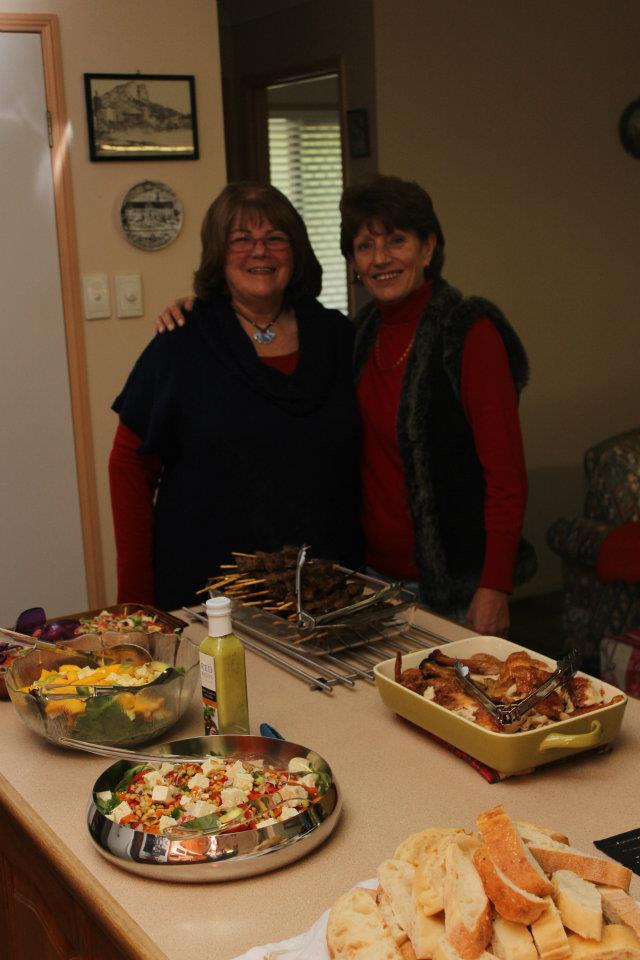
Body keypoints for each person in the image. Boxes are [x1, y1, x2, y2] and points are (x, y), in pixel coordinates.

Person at [155, 175, 536, 634]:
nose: (381, 259)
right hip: (368, 581)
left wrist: (495, 587)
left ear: (428, 247)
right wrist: (199, 309)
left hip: (456, 587)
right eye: (364, 246)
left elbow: (506, 478)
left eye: (397, 241)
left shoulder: (468, 335)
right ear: (353, 262)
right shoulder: (357, 335)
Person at [110, 182, 362, 611]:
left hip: (324, 590)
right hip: (208, 595)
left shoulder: (339, 337)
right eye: (240, 239)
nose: (259, 252)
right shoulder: (182, 340)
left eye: (275, 239)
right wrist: (136, 600)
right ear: (218, 255)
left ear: (296, 251)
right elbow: (130, 467)